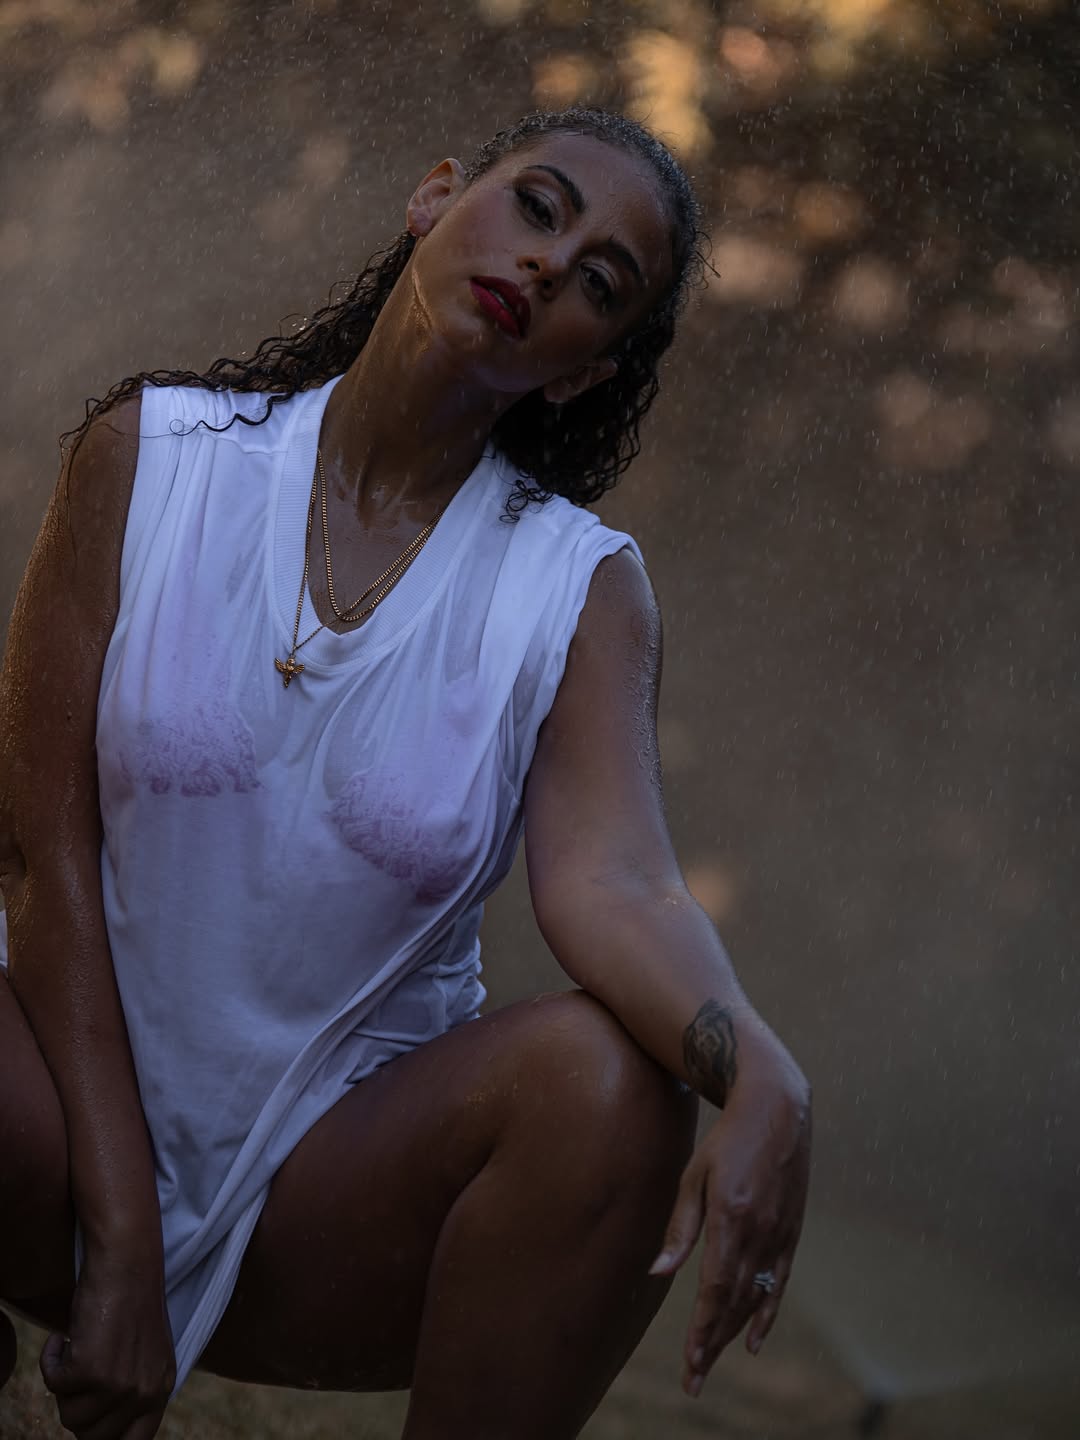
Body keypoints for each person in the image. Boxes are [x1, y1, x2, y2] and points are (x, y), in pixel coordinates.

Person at [0, 106, 811, 1440]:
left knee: (609, 1085)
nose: (548, 263)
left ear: (584, 373)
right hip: (46, 1127)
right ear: (436, 197)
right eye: (538, 206)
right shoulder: (152, 458)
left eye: (599, 282)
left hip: (324, 1206)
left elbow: (617, 883)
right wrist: (123, 1228)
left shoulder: (578, 593)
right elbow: (38, 855)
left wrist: (766, 1070)